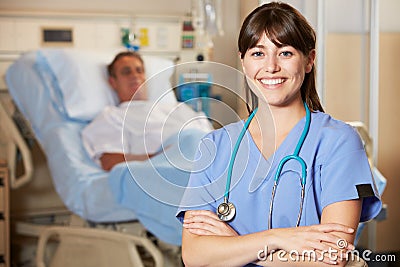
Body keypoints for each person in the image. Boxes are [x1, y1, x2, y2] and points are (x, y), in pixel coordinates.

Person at [176, 2, 382, 267]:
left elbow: (332, 256)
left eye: (285, 53)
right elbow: (195, 256)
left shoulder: (338, 142)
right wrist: (276, 239)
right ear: (243, 61)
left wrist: (237, 244)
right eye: (258, 53)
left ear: (309, 60)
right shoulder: (214, 146)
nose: (270, 66)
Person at [82, 51, 213, 171]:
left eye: (139, 70)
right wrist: (163, 157)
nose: (135, 76)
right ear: (113, 82)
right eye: (126, 72)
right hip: (166, 170)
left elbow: (216, 142)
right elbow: (109, 161)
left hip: (208, 163)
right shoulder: (112, 116)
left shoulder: (179, 109)